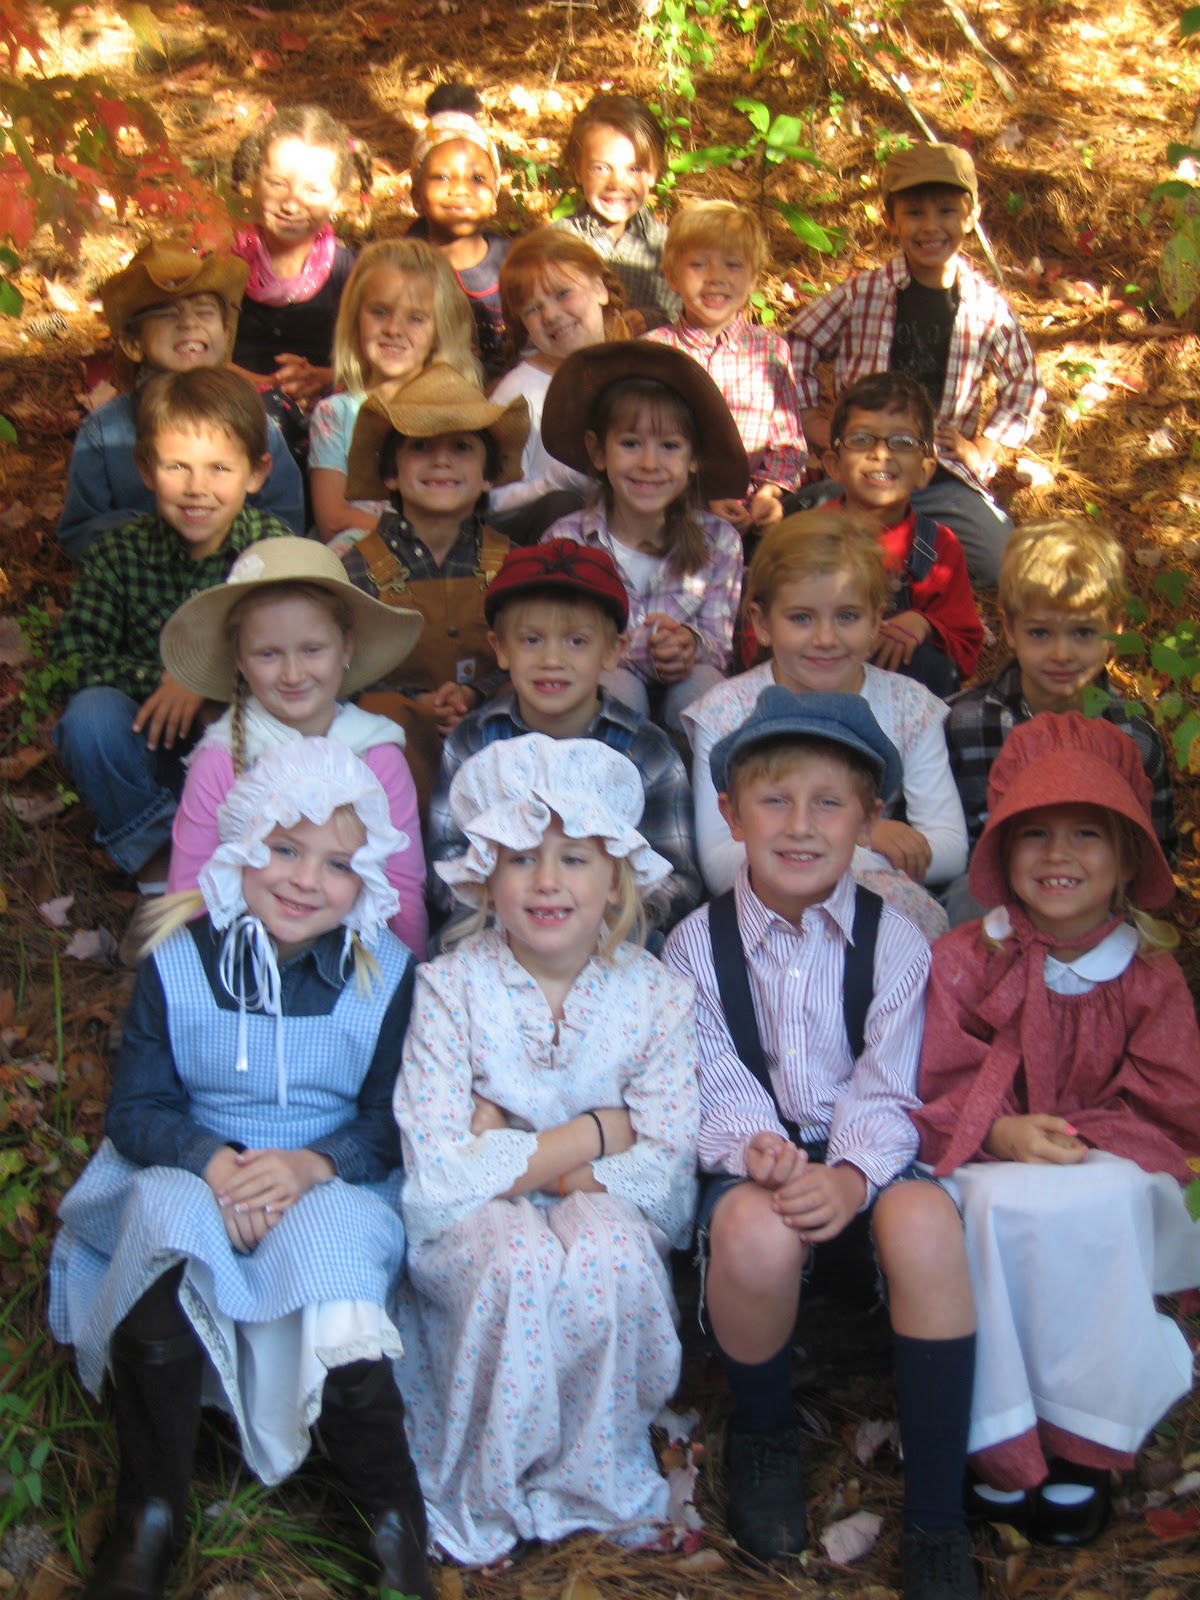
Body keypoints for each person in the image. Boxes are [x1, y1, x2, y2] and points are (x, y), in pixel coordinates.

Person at [48, 739, 433, 1600]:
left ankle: (392, 1521)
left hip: (324, 1169)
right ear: (240, 848)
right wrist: (210, 1162)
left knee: (339, 1262)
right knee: (165, 1229)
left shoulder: (387, 976)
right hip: (196, 1155)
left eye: (338, 864)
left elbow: (386, 1123)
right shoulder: (180, 957)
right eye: (284, 849)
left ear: (366, 876)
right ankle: (152, 1505)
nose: (305, 880)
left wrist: (308, 1165)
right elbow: (138, 1109)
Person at [663, 688, 978, 1600]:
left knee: (925, 1224)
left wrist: (849, 1174)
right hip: (760, 1165)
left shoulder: (898, 943)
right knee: (756, 1230)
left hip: (868, 1158)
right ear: (730, 813)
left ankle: (935, 1515)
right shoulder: (695, 947)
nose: (800, 826)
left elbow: (894, 1079)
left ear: (871, 818)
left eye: (829, 803)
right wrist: (756, 1148)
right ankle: (763, 1434)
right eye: (773, 800)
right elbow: (705, 1072)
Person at [392, 734, 699, 1565]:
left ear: (616, 880)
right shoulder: (449, 990)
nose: (548, 881)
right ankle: (488, 1480)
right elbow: (439, 1181)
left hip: (596, 1211)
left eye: (575, 858)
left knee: (609, 1251)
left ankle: (589, 1477)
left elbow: (667, 1178)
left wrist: (518, 1148)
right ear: (485, 877)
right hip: (476, 1233)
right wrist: (597, 1133)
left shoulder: (659, 997)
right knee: (515, 1258)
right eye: (521, 858)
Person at [913, 711, 1200, 1546]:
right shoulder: (970, 957)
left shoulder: (1146, 973)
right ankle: (1000, 1435)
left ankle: (1083, 1441)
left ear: (1127, 862)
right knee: (992, 1212)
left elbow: (1168, 1094)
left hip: (1108, 1158)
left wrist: (1084, 1140)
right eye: (1034, 835)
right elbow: (941, 1069)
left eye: (1087, 835)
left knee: (1097, 1208)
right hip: (987, 1152)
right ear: (1002, 854)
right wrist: (1000, 1133)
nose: (1059, 856)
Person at [50, 368, 291, 888]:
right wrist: (165, 682)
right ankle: (157, 861)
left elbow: (298, 664)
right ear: (144, 468)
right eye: (177, 466)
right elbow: (71, 660)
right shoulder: (118, 553)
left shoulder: (273, 552)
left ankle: (251, 853)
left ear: (257, 472)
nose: (196, 488)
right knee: (90, 718)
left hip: (243, 745)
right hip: (148, 750)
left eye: (219, 468)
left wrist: (204, 685)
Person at [685, 512, 967, 940]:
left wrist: (831, 853)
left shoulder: (910, 706)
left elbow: (949, 847)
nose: (825, 639)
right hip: (766, 909)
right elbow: (722, 862)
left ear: (877, 622)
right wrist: (864, 838)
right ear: (762, 624)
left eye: (848, 617)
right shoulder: (724, 713)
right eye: (801, 618)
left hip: (878, 912)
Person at [788, 142, 1045, 586]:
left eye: (946, 211)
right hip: (863, 467)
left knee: (1004, 562)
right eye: (914, 213)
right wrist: (811, 416)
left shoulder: (985, 306)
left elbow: (1024, 383)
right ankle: (868, 555)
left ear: (971, 215)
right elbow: (797, 343)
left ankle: (915, 553)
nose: (931, 227)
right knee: (789, 534)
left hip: (938, 472)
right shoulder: (864, 293)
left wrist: (985, 446)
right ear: (890, 219)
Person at [160, 536, 428, 956]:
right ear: (241, 660)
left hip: (353, 964)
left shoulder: (378, 755)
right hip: (240, 960)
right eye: (268, 654)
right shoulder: (221, 758)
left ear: (347, 647)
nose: (292, 673)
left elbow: (403, 889)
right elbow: (190, 889)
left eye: (312, 649)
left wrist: (405, 987)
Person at [428, 539, 701, 930]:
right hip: (495, 935)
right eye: (531, 640)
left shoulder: (646, 751)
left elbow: (677, 880)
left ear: (612, 651)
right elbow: (446, 861)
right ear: (501, 649)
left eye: (577, 642)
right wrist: (520, 920)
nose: (552, 660)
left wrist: (591, 921)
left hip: (610, 939)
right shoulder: (473, 742)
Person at [337, 362, 526, 808]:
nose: (441, 460)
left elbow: (532, 649)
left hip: (491, 737)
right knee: (376, 713)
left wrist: (475, 692)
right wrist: (418, 699)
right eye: (420, 446)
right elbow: (342, 669)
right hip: (397, 745)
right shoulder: (356, 568)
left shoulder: (515, 561)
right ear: (390, 473)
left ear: (487, 475)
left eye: (461, 447)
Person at [540, 340, 748, 732]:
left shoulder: (720, 541)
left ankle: (703, 792)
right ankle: (609, 788)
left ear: (693, 460)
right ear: (598, 451)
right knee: (614, 691)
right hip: (604, 675)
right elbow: (562, 641)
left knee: (707, 690)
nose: (649, 464)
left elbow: (718, 645)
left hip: (686, 679)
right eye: (630, 444)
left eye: (670, 446)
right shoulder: (567, 541)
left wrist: (688, 644)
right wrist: (640, 649)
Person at [57, 239, 303, 560]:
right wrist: (159, 535)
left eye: (204, 311)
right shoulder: (104, 432)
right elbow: (79, 531)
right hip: (137, 588)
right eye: (166, 314)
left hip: (235, 587)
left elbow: (286, 520)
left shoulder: (255, 423)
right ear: (132, 343)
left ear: (226, 333)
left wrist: (219, 535)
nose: (189, 323)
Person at [947, 517, 1177, 856]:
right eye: (1039, 633)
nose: (1061, 654)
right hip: (982, 902)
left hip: (1095, 902)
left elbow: (1158, 855)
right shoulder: (961, 724)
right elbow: (935, 849)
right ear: (1009, 628)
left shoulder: (1134, 738)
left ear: (1114, 629)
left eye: (1083, 633)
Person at [647, 199, 806, 534]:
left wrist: (769, 492)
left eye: (733, 266)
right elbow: (641, 442)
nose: (716, 278)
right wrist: (699, 496)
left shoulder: (770, 350)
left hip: (752, 507)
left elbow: (786, 442)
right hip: (673, 506)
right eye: (699, 265)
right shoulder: (655, 351)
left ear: (752, 281)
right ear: (672, 277)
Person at [822, 371, 982, 697]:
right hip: (817, 677)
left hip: (901, 697)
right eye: (862, 439)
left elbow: (965, 649)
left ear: (925, 471)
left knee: (931, 663)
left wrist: (925, 624)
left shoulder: (937, 548)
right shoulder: (808, 535)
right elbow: (765, 627)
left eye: (903, 443)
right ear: (834, 464)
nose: (882, 454)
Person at [309, 238, 480, 540]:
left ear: (440, 331)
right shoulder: (335, 414)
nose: (393, 329)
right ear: (355, 319)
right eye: (379, 312)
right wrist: (414, 534)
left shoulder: (457, 413)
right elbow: (332, 519)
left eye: (415, 318)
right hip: (361, 555)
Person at [229, 104, 369, 460]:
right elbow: (196, 355)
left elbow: (378, 358)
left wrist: (323, 376)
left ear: (337, 198)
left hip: (325, 418)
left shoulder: (348, 273)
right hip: (229, 406)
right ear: (252, 181)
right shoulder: (222, 263)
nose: (292, 203)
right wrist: (266, 385)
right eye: (277, 184)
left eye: (313, 191)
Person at [489, 229, 628, 539]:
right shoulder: (518, 393)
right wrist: (552, 483)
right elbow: (490, 498)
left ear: (600, 289)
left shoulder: (637, 369)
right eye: (532, 309)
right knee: (564, 506)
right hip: (542, 536)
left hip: (632, 523)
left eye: (563, 293)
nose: (551, 315)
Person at [551, 91, 681, 332]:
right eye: (600, 168)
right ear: (578, 170)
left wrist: (650, 318)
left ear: (653, 173)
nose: (617, 183)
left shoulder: (667, 245)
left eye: (634, 168)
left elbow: (681, 311)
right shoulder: (558, 242)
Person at [406, 87, 511, 383]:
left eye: (477, 178)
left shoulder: (514, 266)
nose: (460, 189)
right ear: (416, 197)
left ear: (494, 197)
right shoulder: (398, 266)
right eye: (441, 177)